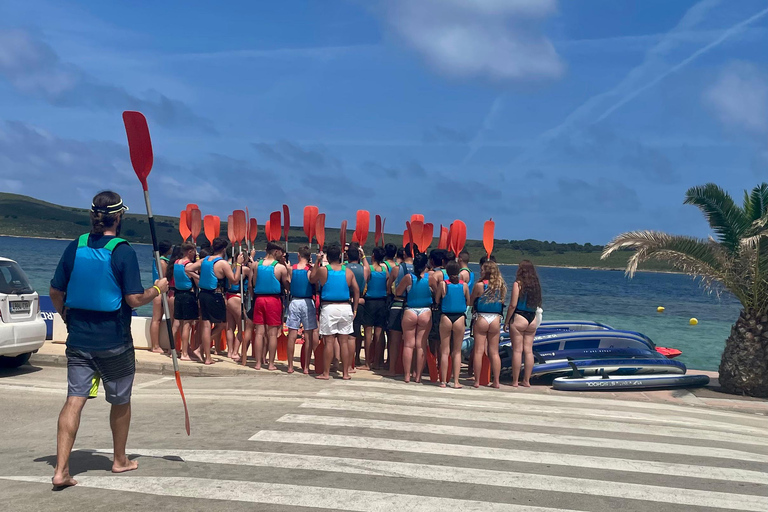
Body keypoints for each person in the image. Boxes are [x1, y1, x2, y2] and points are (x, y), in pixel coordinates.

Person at [48, 191, 169, 488]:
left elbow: (55, 291)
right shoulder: (123, 251)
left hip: (78, 340)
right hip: (114, 343)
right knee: (120, 401)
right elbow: (133, 298)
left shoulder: (75, 246)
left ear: (93, 216)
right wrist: (158, 289)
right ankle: (119, 460)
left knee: (74, 401)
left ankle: (61, 470)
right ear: (118, 217)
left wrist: (66, 317)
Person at [186, 237, 244, 365]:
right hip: (215, 295)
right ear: (223, 249)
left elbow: (188, 269)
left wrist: (200, 279)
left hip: (203, 294)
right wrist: (239, 264)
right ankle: (201, 349)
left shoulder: (204, 260)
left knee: (206, 325)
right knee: (222, 324)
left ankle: (206, 356)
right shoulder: (222, 263)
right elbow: (234, 280)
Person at [310, 243, 360, 380]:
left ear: (327, 256)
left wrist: (316, 262)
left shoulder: (323, 270)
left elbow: (312, 279)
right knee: (344, 342)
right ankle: (345, 373)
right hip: (345, 307)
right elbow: (356, 290)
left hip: (329, 307)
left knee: (329, 342)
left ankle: (326, 373)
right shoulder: (348, 272)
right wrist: (354, 308)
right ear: (340, 256)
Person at [249, 242, 289, 370]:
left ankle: (258, 363)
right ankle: (271, 364)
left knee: (259, 333)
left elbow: (253, 284)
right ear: (276, 251)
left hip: (259, 299)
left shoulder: (255, 265)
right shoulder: (280, 268)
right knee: (272, 334)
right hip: (273, 300)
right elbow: (287, 285)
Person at [395, 252, 431, 384]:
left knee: (409, 345)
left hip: (410, 310)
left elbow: (398, 292)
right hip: (425, 311)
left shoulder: (408, 277)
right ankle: (418, 376)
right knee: (421, 345)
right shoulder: (430, 277)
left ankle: (407, 376)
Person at [505, 260, 542, 387]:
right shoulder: (536, 285)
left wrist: (506, 321)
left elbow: (513, 305)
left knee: (517, 350)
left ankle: (515, 381)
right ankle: (526, 380)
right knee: (528, 350)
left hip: (520, 316)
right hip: (532, 318)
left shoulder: (518, 284)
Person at [470, 260, 507, 388]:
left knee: (479, 351)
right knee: (494, 352)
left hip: (482, 317)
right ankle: (496, 381)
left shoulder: (480, 285)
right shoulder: (501, 285)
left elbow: (470, 302)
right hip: (496, 318)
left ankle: (477, 381)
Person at [437, 261, 470, 388]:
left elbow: (437, 300)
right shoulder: (464, 285)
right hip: (459, 317)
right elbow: (468, 301)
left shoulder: (443, 284)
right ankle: (456, 381)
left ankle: (443, 381)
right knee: (457, 352)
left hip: (446, 316)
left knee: (444, 351)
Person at [286, 246, 318, 374]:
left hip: (295, 301)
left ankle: (290, 366)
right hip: (307, 301)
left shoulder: (291, 269)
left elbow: (288, 283)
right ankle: (306, 367)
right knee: (308, 335)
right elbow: (315, 283)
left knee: (292, 334)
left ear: (299, 255)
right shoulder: (310, 270)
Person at [386, 244, 414, 375]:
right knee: (413, 342)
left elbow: (388, 288)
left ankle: (392, 369)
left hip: (397, 304)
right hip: (413, 306)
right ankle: (413, 371)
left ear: (403, 254)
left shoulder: (396, 269)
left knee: (394, 341)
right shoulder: (422, 270)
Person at [361, 246, 389, 370]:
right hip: (382, 302)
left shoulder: (369, 269)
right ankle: (377, 362)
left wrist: (362, 256)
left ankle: (367, 362)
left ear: (373, 256)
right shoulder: (385, 270)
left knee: (368, 333)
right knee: (379, 333)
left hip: (370, 301)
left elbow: (365, 278)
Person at [171, 242, 199, 360]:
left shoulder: (176, 263)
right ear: (190, 252)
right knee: (186, 325)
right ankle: (184, 353)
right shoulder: (189, 266)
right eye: (194, 251)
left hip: (178, 295)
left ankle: (171, 350)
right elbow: (198, 283)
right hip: (188, 295)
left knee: (177, 323)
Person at [225, 253, 251, 363]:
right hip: (236, 297)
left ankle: (230, 351)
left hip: (227, 297)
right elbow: (254, 274)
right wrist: (251, 260)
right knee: (242, 326)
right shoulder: (244, 269)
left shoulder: (229, 266)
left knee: (230, 326)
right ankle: (235, 352)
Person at [346, 243, 368, 368]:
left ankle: (342, 361)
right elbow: (367, 271)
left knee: (344, 336)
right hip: (359, 301)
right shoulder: (364, 269)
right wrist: (363, 255)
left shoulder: (344, 268)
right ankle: (354, 360)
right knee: (355, 335)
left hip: (346, 301)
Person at [149, 241, 173, 353]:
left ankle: (156, 345)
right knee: (156, 319)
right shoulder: (163, 262)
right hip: (160, 292)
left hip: (157, 291)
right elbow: (164, 278)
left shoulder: (157, 260)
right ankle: (155, 345)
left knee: (156, 319)